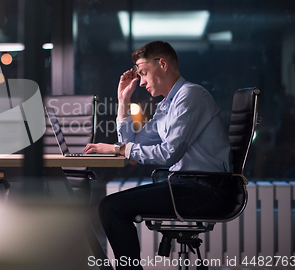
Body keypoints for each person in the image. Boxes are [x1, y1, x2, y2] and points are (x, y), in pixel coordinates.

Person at [83, 41, 232, 269]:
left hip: (206, 189)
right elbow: (132, 142)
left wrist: (116, 149)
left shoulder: (190, 96)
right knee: (109, 206)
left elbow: (167, 155)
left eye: (143, 73)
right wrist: (123, 101)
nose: (141, 82)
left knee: (112, 207)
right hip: (186, 185)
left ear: (162, 64)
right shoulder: (168, 105)